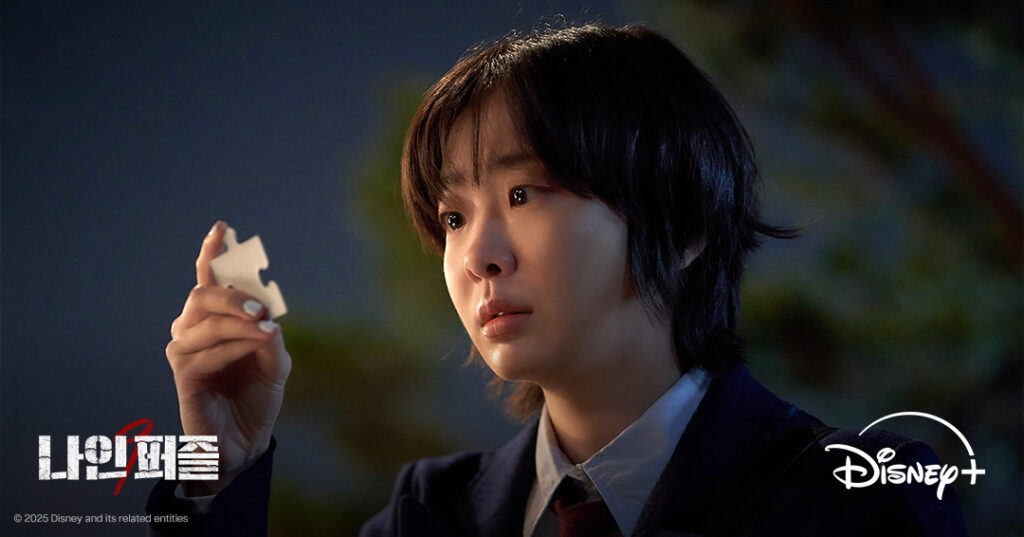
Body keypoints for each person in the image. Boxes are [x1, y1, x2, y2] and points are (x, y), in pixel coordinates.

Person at [148, 23, 969, 536]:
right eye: (453, 216)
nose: (478, 255)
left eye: (522, 194)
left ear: (683, 221)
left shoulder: (861, 499)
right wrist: (219, 466)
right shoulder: (431, 513)